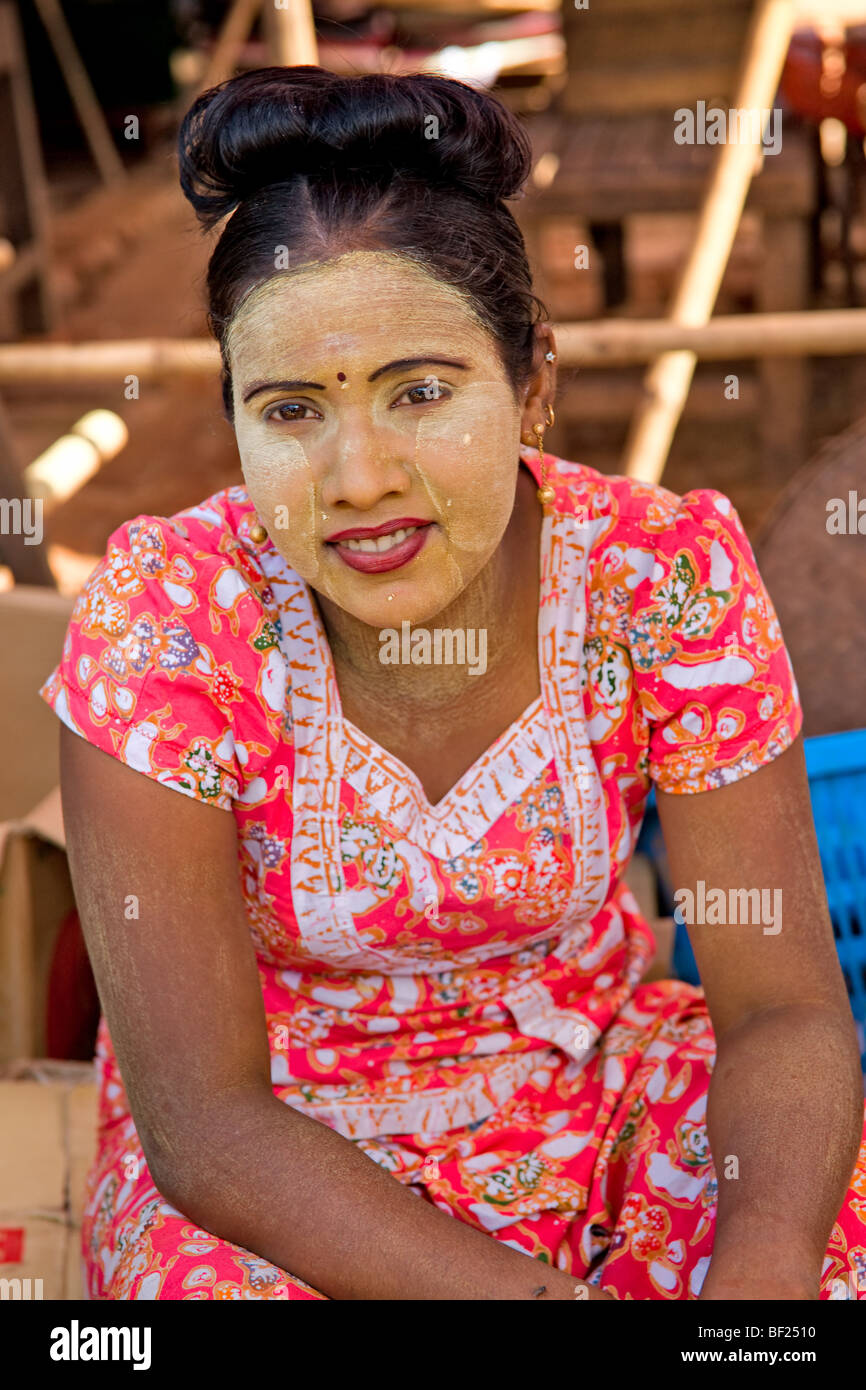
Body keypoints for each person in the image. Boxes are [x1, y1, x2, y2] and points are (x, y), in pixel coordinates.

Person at [40, 67, 866, 1302]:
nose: (357, 474)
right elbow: (206, 1123)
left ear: (531, 380)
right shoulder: (166, 624)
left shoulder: (662, 579)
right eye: (290, 410)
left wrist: (759, 1290)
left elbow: (778, 1010)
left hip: (590, 1080)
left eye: (419, 392)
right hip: (283, 1165)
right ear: (235, 419)